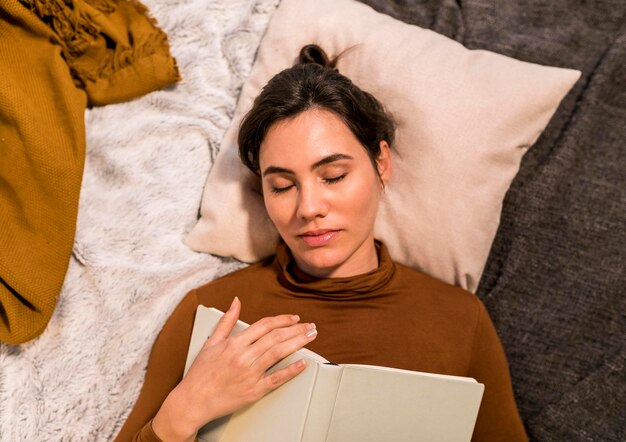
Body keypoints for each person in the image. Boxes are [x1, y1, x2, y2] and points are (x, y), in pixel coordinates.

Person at [115, 44, 528, 442]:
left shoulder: (460, 320)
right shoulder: (210, 316)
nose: (309, 207)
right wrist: (180, 417)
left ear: (381, 164)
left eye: (333, 176)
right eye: (281, 185)